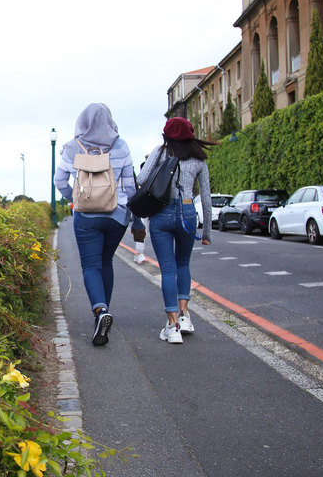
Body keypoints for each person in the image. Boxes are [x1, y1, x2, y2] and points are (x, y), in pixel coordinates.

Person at [55, 103, 145, 347]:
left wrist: (73, 197)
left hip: (86, 216)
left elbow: (59, 180)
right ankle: (104, 313)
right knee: (106, 262)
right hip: (116, 215)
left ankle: (100, 310)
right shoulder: (121, 145)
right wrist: (134, 217)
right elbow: (129, 184)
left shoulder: (73, 146)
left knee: (91, 265)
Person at [136, 117, 214, 344]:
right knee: (183, 264)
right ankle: (184, 315)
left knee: (168, 270)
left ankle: (172, 326)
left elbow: (141, 179)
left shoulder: (160, 152)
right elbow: (206, 198)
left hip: (161, 214)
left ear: (167, 136)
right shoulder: (199, 160)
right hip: (188, 214)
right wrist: (207, 232)